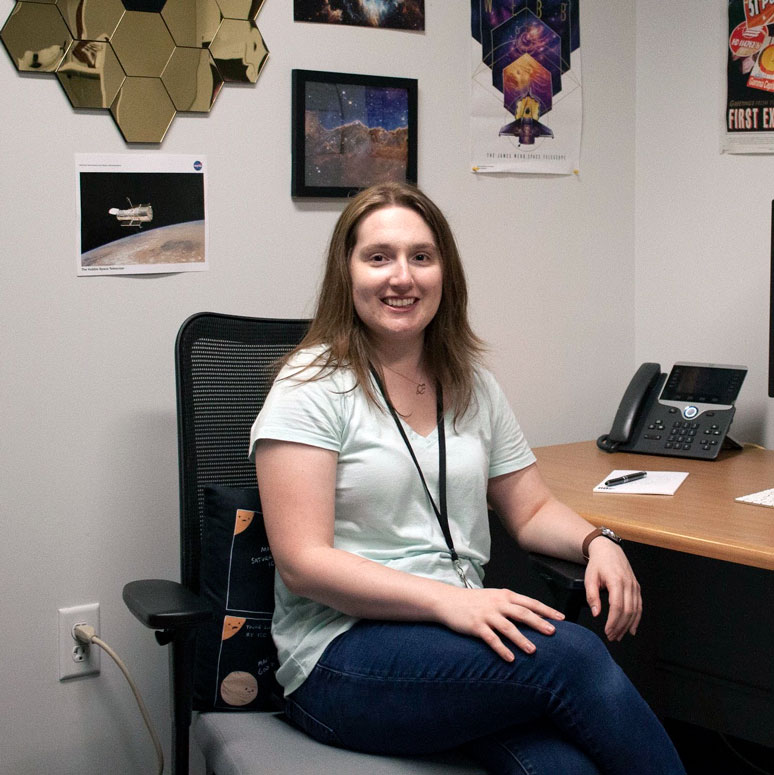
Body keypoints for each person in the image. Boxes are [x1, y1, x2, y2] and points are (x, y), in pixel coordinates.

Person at [250, 183, 686, 774]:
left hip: (455, 647)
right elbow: (303, 562)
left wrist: (597, 543)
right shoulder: (310, 386)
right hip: (339, 659)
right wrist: (449, 602)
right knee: (573, 658)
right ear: (346, 273)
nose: (401, 276)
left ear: (444, 274)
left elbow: (529, 510)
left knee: (565, 769)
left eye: (421, 257)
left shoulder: (470, 384)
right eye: (378, 257)